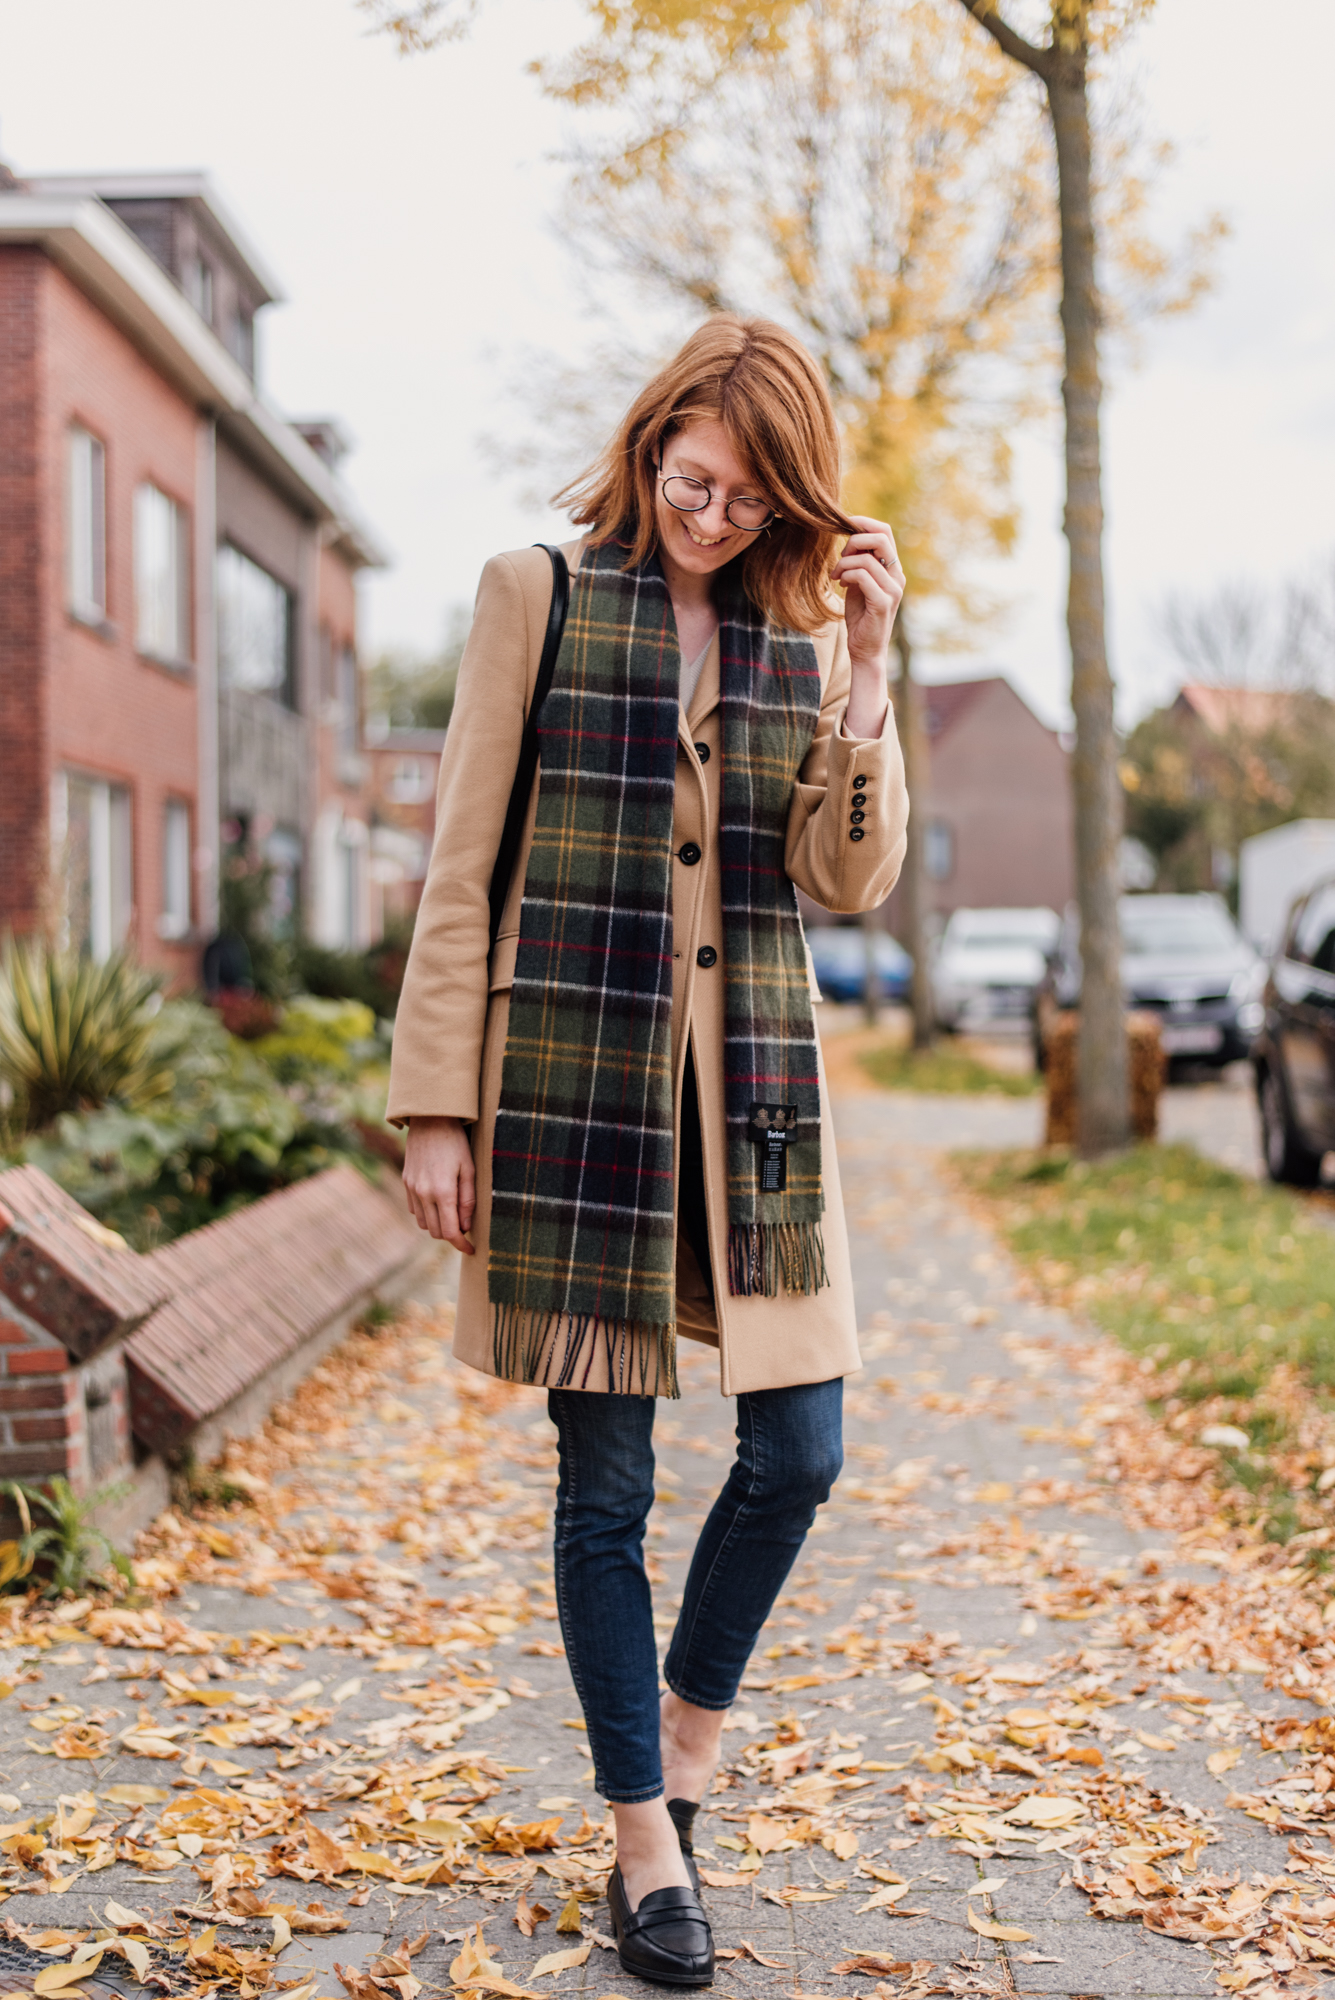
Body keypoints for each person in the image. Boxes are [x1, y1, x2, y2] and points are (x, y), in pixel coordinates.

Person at [388, 314, 908, 1987]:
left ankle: (687, 1746)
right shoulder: (533, 596)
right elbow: (463, 864)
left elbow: (845, 884)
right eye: (697, 481)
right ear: (653, 432)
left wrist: (873, 677)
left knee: (803, 1454)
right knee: (603, 1487)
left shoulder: (795, 632)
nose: (714, 519)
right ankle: (641, 1845)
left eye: (753, 502)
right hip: (576, 1096)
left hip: (750, 1101)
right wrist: (437, 1107)